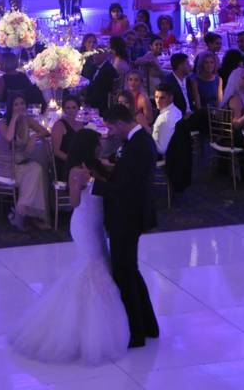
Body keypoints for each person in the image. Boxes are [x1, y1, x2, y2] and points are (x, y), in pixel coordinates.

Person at [9, 128, 130, 364]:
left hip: (96, 223)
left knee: (99, 266)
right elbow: (74, 202)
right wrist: (81, 183)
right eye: (97, 143)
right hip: (84, 223)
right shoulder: (77, 169)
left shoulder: (96, 164)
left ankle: (89, 325)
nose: (100, 146)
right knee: (91, 269)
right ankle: (84, 331)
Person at [91, 105, 159, 348]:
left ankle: (136, 333)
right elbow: (124, 175)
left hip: (128, 216)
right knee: (131, 270)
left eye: (111, 127)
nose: (111, 132)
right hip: (130, 214)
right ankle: (148, 325)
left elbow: (125, 188)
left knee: (124, 273)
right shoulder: (137, 141)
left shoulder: (139, 146)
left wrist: (93, 186)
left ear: (120, 123)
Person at [0, 95, 51, 230]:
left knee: (37, 169)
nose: (20, 107)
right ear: (11, 107)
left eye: (22, 103)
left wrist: (35, 136)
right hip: (8, 166)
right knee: (34, 173)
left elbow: (45, 131)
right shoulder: (3, 123)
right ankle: (23, 213)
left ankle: (23, 213)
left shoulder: (28, 120)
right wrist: (15, 118)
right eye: (16, 104)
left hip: (23, 163)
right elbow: (9, 138)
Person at [221, 67, 244, 147]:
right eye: (243, 78)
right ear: (236, 81)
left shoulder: (243, 95)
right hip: (233, 138)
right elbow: (236, 125)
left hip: (239, 133)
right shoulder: (235, 99)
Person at [51, 95, 82, 180]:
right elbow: (56, 151)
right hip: (64, 163)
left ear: (78, 109)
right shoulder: (59, 125)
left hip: (78, 162)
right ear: (64, 110)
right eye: (68, 108)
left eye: (73, 107)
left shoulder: (80, 125)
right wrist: (73, 162)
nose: (71, 110)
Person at [151, 84, 182, 156]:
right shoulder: (176, 110)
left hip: (163, 158)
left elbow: (162, 150)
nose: (158, 101)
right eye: (156, 97)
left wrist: (148, 135)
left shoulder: (164, 118)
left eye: (162, 98)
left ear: (170, 98)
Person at [164, 53, 196, 118]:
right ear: (180, 66)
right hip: (178, 118)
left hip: (191, 114)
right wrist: (183, 115)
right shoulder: (168, 82)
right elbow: (167, 106)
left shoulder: (188, 80)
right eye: (187, 63)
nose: (190, 66)